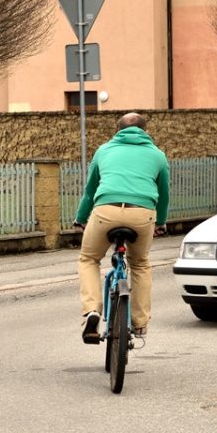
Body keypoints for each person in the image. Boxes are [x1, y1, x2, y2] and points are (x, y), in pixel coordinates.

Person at [74, 113, 169, 344]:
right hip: (142, 213)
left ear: (117, 131)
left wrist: (81, 218)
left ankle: (92, 311)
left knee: (88, 258)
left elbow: (90, 190)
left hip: (106, 211)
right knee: (140, 263)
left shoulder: (104, 150)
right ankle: (139, 323)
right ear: (145, 131)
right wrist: (161, 222)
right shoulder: (157, 155)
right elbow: (164, 194)